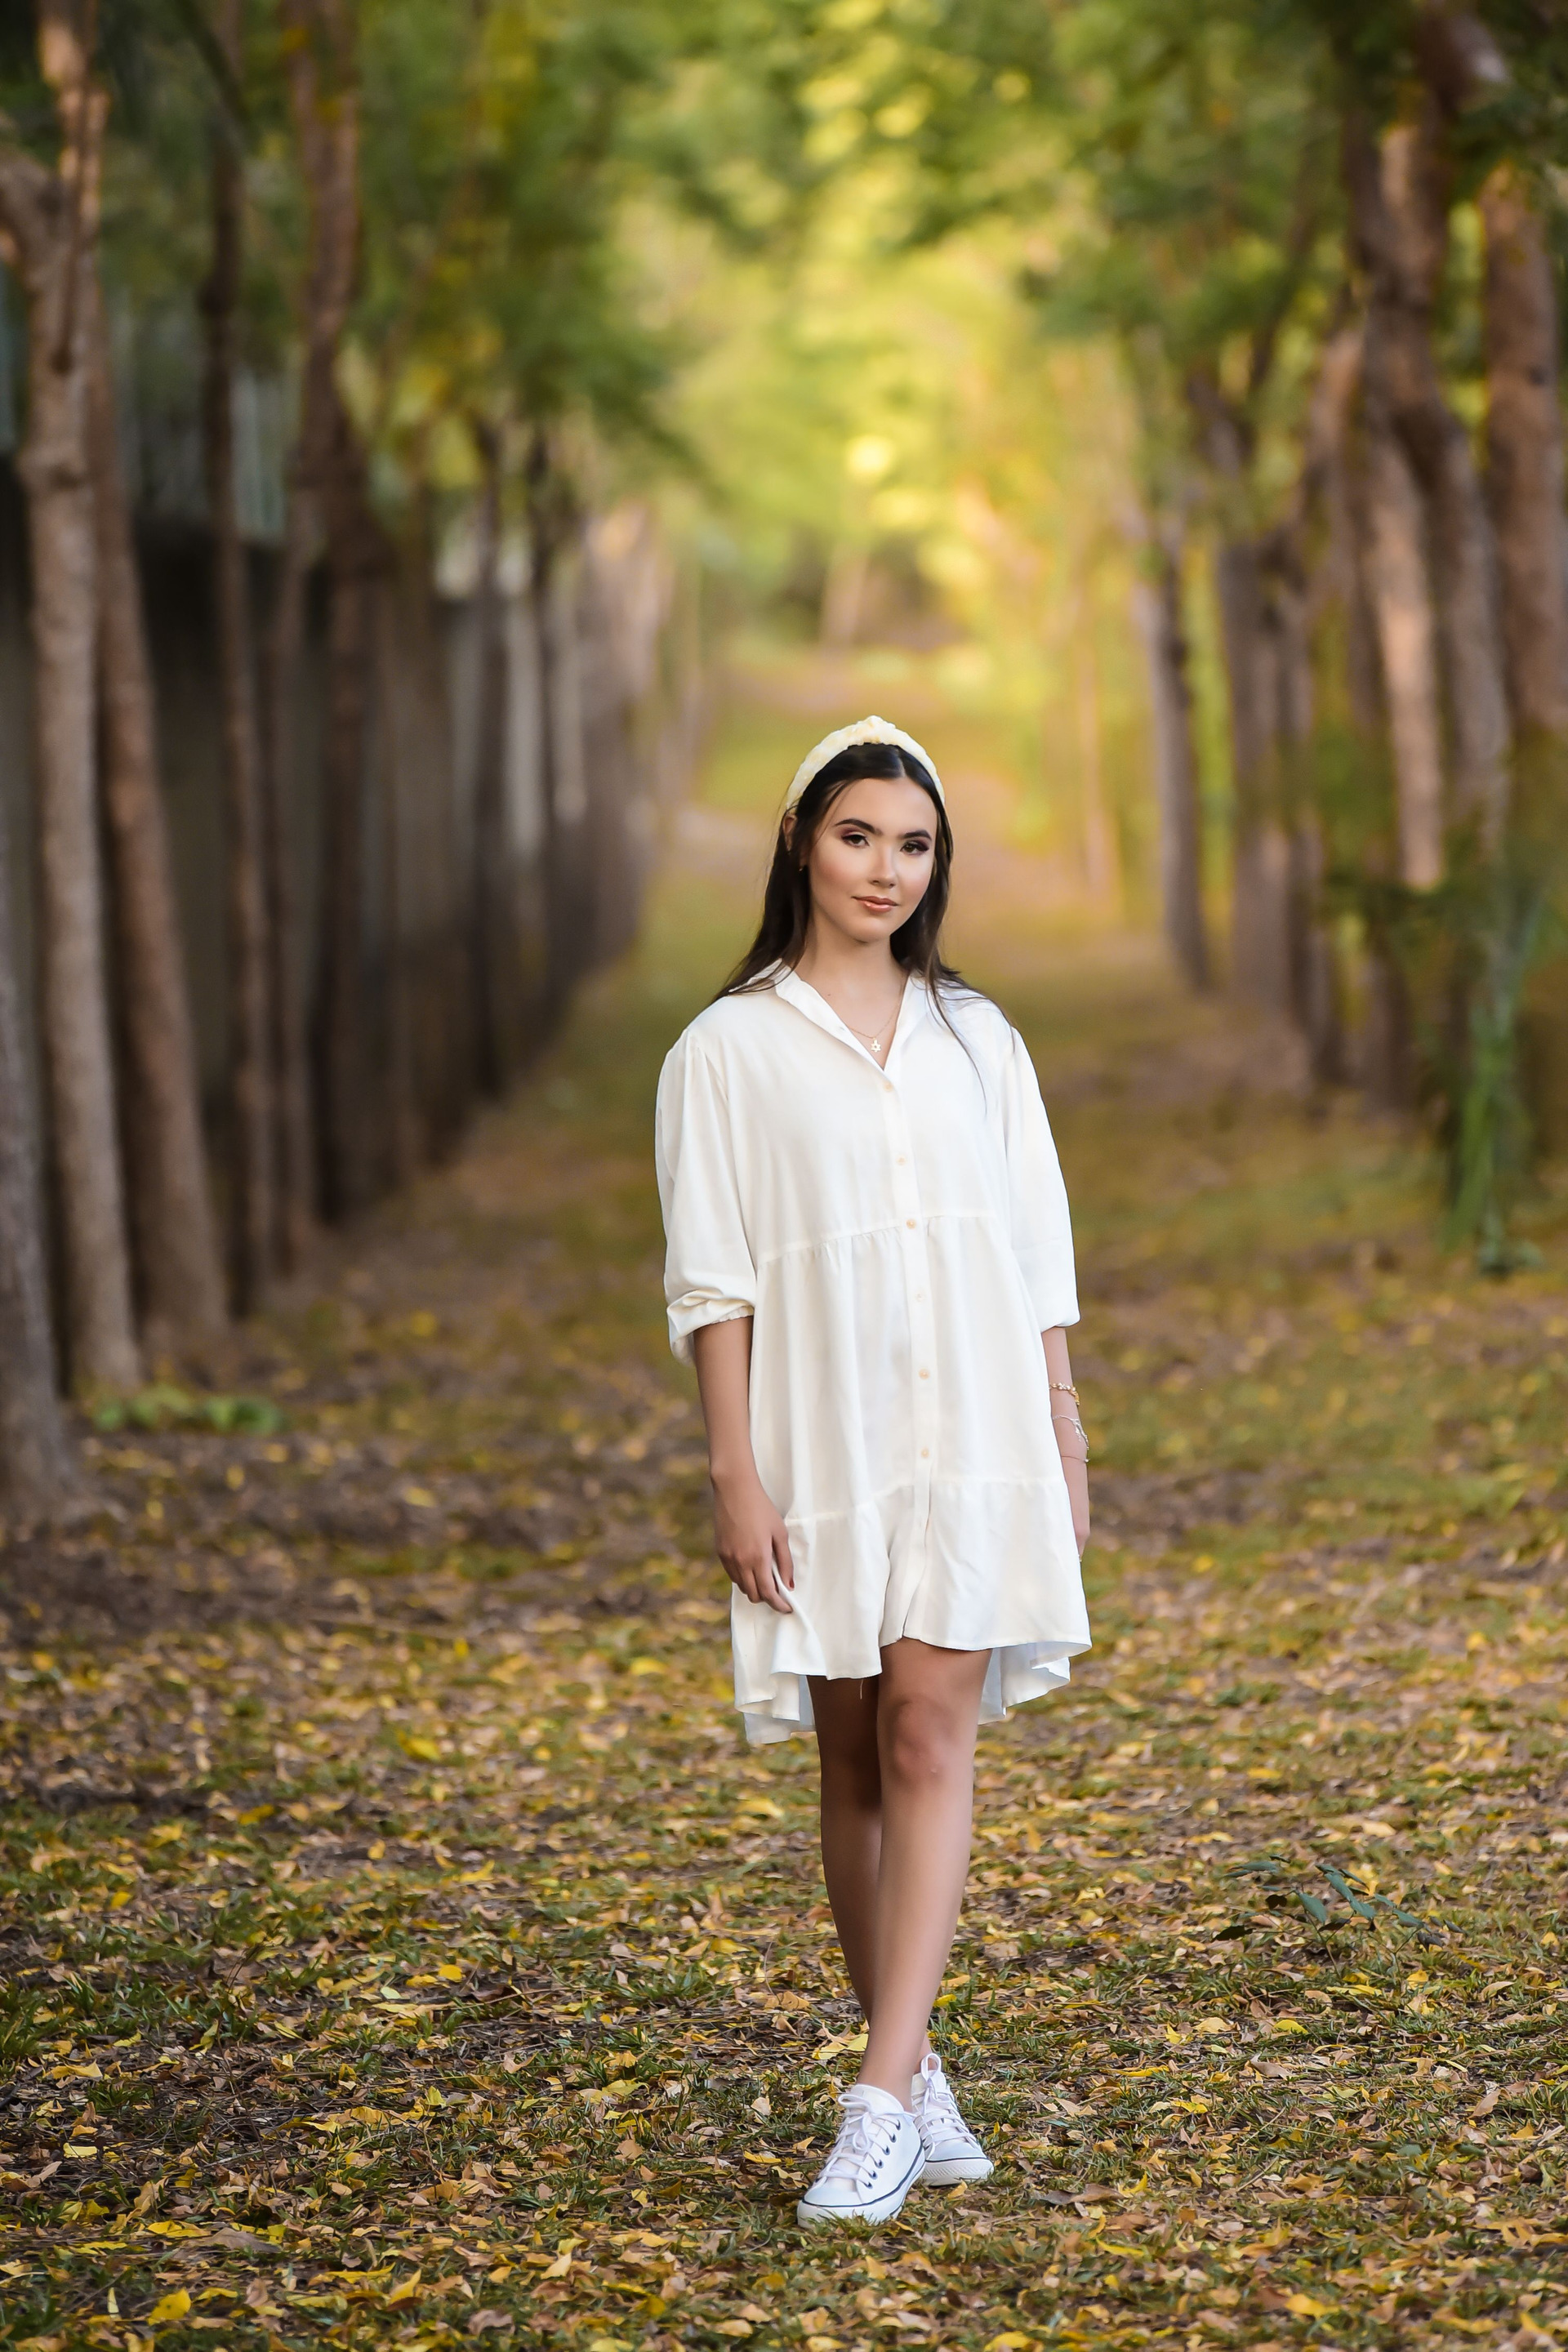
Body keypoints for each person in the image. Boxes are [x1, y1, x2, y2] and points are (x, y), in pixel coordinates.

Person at [654, 717, 1091, 2228]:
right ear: (801, 841)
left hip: (975, 1428)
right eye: (858, 836)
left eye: (913, 845)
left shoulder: (980, 1039)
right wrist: (735, 1472)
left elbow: (1034, 1250)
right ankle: (916, 2072)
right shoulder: (724, 1052)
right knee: (850, 1757)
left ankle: (879, 2099)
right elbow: (714, 1282)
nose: (885, 870)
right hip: (820, 1441)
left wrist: (1062, 1428)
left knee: (925, 1732)